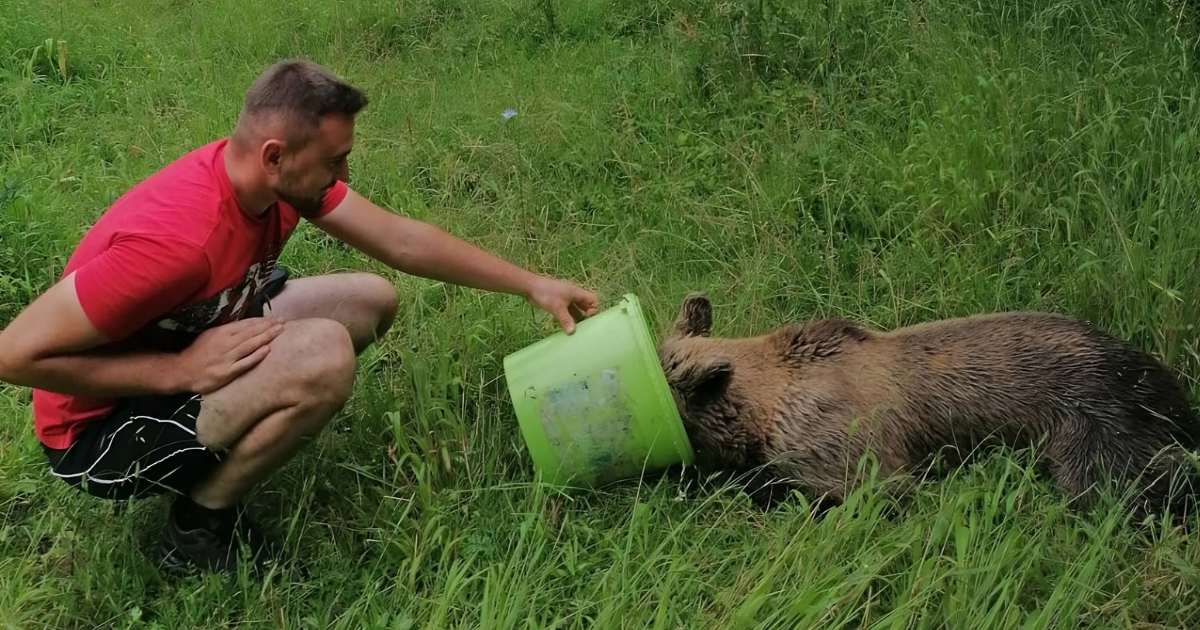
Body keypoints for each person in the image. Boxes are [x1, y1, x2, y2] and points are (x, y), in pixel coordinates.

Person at [0, 58, 599, 575]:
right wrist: (177, 372)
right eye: (334, 161)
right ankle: (197, 524)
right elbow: (14, 354)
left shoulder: (272, 188)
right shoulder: (178, 243)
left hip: (194, 337)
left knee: (368, 300)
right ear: (275, 155)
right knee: (325, 354)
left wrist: (532, 285)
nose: (343, 176)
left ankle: (232, 436)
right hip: (99, 433)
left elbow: (402, 242)